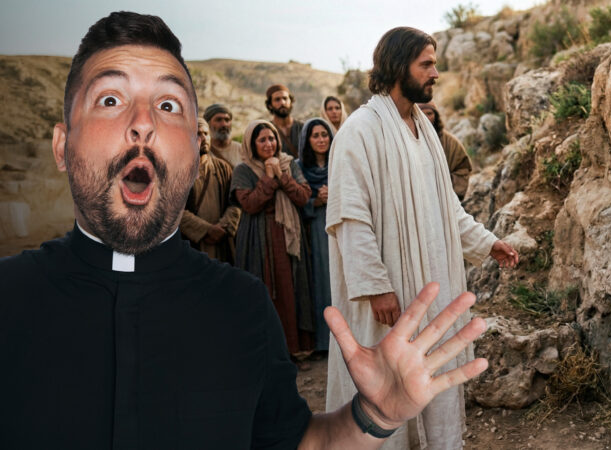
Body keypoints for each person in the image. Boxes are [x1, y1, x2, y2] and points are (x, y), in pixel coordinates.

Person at [0, 12, 491, 449]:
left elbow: (299, 440)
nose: (141, 126)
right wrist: (372, 282)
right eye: (110, 99)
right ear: (61, 147)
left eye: (167, 106)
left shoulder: (241, 308)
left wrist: (373, 415)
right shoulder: (10, 300)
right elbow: (351, 216)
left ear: (192, 152)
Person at [325, 27, 519, 450]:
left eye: (434, 63)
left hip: (433, 288)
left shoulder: (424, 130)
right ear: (398, 67)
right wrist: (376, 285)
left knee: (435, 388)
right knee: (388, 400)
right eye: (426, 64)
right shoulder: (359, 131)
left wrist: (488, 243)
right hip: (390, 296)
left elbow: (447, 208)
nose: (436, 73)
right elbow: (350, 218)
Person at [230, 119, 315, 364]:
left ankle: (298, 347)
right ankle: (272, 352)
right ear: (251, 144)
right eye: (262, 140)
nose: (269, 144)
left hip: (290, 237)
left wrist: (281, 176)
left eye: (272, 138)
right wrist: (268, 177)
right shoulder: (243, 169)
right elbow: (249, 204)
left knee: (294, 287)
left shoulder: (288, 163)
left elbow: (303, 196)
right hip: (259, 238)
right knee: (268, 289)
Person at [179, 117, 240, 263]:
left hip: (222, 242)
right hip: (191, 244)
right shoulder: (175, 170)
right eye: (197, 134)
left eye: (206, 133)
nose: (203, 138)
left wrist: (223, 227)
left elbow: (236, 203)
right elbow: (171, 210)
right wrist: (206, 230)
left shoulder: (224, 168)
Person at [298, 117, 335, 356]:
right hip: (313, 232)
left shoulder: (340, 163)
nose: (321, 140)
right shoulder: (299, 168)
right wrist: (315, 201)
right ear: (307, 140)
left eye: (325, 134)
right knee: (319, 282)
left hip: (339, 228)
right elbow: (294, 202)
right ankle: (324, 341)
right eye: (315, 135)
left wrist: (335, 193)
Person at [418, 102, 473, 200]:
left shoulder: (451, 142)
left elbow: (462, 168)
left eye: (429, 114)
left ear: (436, 116)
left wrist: (447, 188)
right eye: (421, 114)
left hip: (444, 200)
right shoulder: (405, 140)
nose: (425, 118)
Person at [203, 103, 246, 168]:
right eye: (218, 120)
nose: (224, 124)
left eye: (227, 120)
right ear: (208, 124)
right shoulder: (202, 150)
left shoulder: (242, 150)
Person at [266, 84, 304, 158]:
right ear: (270, 104)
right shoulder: (267, 130)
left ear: (290, 101)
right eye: (277, 99)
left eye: (285, 98)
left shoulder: (303, 127)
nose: (282, 103)